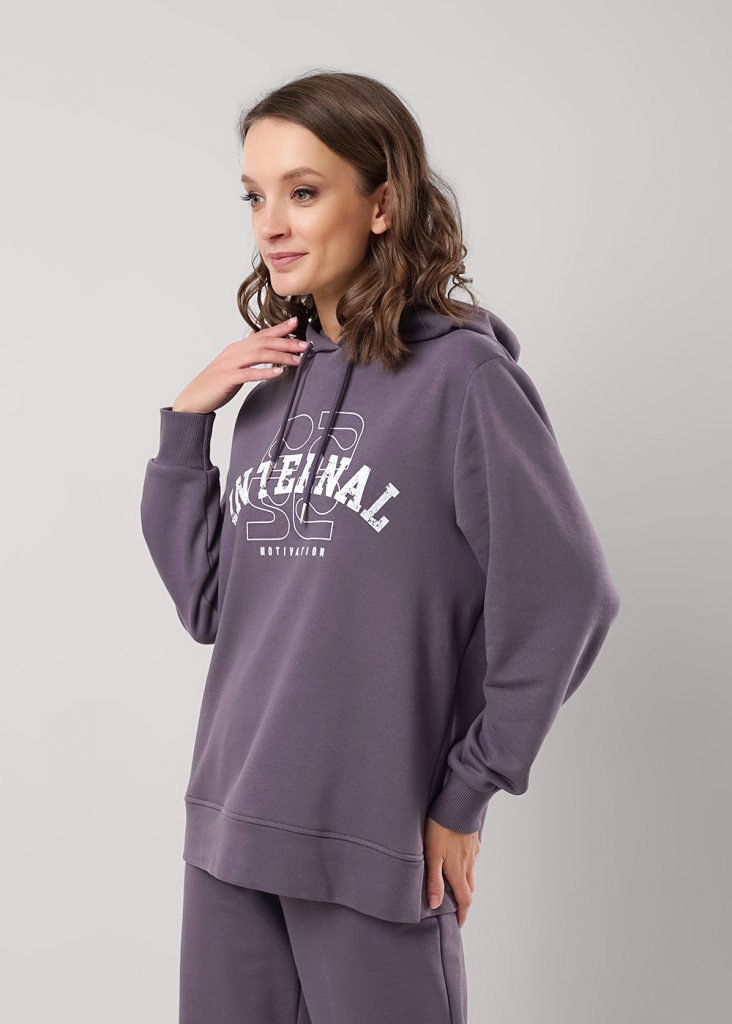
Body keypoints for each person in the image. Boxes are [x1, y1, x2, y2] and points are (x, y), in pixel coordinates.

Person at [140, 69, 621, 1024]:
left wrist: (466, 792)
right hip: (230, 828)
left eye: (303, 192)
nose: (271, 224)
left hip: (372, 841)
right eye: (255, 197)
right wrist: (187, 427)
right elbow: (211, 607)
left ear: (382, 204)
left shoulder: (465, 380)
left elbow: (568, 596)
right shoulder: (268, 389)